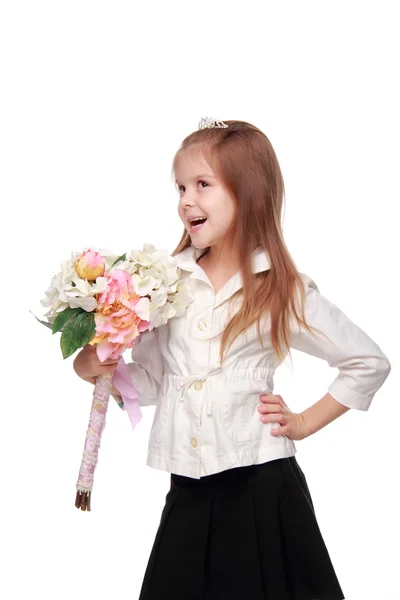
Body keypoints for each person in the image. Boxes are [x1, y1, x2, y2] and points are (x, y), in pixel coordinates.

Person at [73, 118, 391, 600]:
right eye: (180, 186)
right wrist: (93, 367)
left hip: (264, 487)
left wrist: (303, 422)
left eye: (203, 184)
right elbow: (154, 382)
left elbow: (368, 361)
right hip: (189, 490)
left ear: (249, 193)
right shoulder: (163, 285)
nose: (185, 199)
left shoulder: (282, 290)